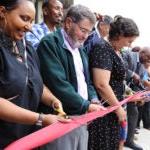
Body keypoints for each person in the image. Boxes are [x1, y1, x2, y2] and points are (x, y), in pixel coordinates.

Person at [0, 0, 69, 148]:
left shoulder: (28, 48)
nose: (29, 27)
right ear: (2, 12)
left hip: (27, 138)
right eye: (24, 18)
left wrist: (52, 100)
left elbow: (34, 81)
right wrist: (40, 119)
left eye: (31, 21)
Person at [37, 4, 104, 150]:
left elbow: (88, 82)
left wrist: (93, 99)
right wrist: (86, 105)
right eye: (83, 30)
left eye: (88, 32)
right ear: (68, 23)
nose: (85, 36)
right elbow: (58, 84)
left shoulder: (80, 50)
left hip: (81, 118)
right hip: (60, 119)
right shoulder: (50, 44)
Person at [88, 16, 139, 150]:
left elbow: (117, 80)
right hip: (105, 110)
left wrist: (130, 94)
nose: (130, 45)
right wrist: (118, 108)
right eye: (129, 41)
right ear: (119, 35)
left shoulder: (116, 51)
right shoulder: (102, 48)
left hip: (113, 109)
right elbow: (101, 84)